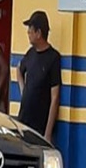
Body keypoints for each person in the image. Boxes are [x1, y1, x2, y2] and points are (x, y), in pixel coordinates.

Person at [17, 11, 62, 143]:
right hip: (24, 121)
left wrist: (48, 133)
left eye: (30, 30)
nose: (28, 33)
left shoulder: (53, 58)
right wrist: (23, 91)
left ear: (39, 33)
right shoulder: (30, 53)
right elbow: (19, 69)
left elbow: (55, 98)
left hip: (40, 127)